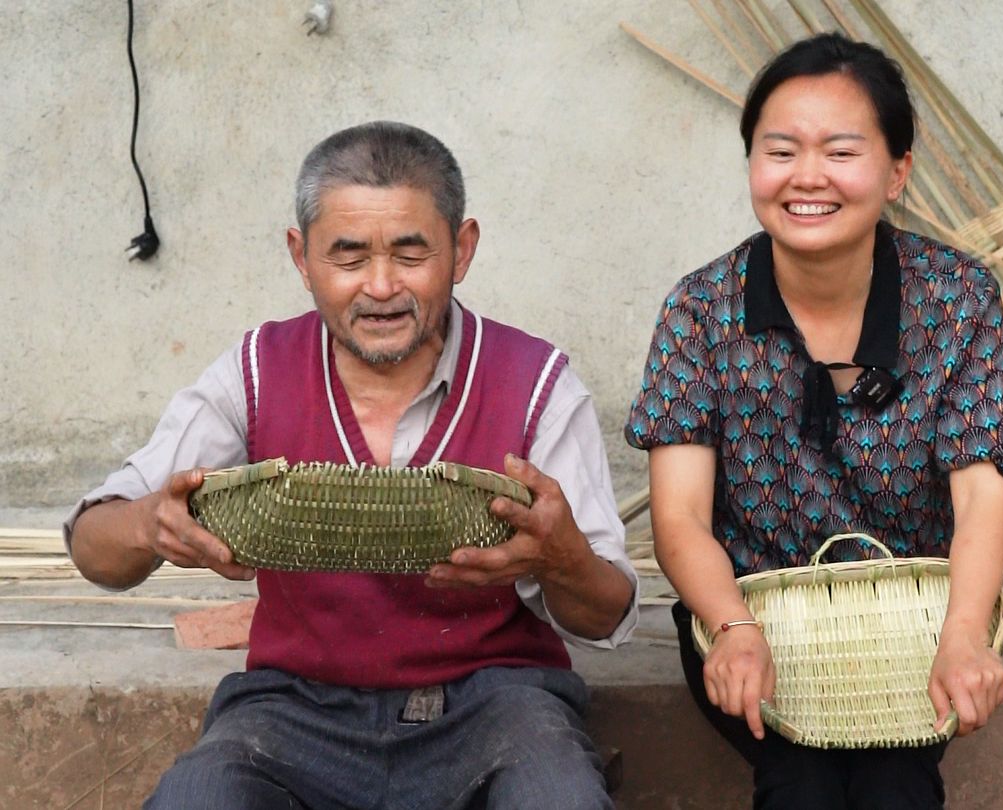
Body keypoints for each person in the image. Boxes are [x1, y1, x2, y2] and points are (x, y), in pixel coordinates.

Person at [67, 121, 638, 810]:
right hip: (294, 710)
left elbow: (607, 615)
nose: (380, 286)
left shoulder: (536, 383)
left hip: (498, 706)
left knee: (559, 800)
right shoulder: (253, 374)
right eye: (347, 255)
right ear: (300, 257)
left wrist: (562, 557)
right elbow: (94, 548)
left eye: (410, 252)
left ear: (461, 250)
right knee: (199, 795)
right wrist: (147, 525)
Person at [625, 33, 1003, 810]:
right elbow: (679, 515)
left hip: (912, 623)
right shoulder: (700, 309)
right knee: (801, 785)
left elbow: (983, 491)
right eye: (780, 150)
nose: (807, 177)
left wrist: (963, 634)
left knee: (896, 786)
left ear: (896, 171)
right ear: (752, 162)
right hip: (748, 615)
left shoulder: (956, 297)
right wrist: (732, 627)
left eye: (841, 151)